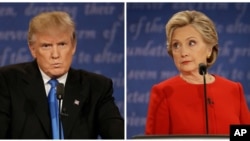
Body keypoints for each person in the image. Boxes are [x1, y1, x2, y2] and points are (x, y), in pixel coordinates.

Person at [0, 11, 124, 139]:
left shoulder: (96, 87)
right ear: (33, 49)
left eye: (62, 44)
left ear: (73, 46)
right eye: (46, 46)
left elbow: (117, 135)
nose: (55, 55)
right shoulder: (8, 81)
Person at [145, 10, 250, 135]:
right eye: (176, 45)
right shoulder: (164, 92)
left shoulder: (233, 90)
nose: (183, 52)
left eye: (191, 43)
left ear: (209, 49)